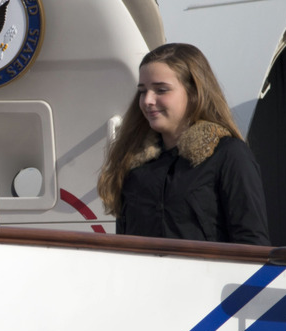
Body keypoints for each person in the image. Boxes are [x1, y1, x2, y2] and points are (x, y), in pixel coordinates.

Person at [97, 43, 270, 245]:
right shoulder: (133, 162)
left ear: (194, 93)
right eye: (143, 91)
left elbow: (252, 242)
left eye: (161, 90)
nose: (147, 101)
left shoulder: (229, 154)